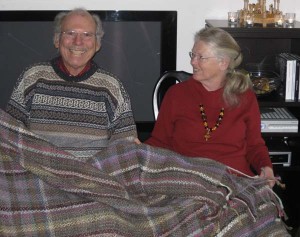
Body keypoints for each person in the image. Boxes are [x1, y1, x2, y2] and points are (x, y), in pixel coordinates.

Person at [145, 27, 275, 186]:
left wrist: (266, 168)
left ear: (223, 63)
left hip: (234, 182)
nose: (193, 62)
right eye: (193, 55)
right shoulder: (176, 94)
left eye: (201, 57)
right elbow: (159, 142)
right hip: (188, 182)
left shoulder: (245, 96)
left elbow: (255, 145)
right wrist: (137, 151)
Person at [6, 8, 138, 159]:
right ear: (57, 40)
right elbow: (9, 136)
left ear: (97, 44)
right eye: (70, 33)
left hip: (92, 179)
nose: (78, 42)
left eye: (87, 35)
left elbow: (125, 147)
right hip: (40, 177)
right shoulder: (32, 78)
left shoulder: (112, 87)